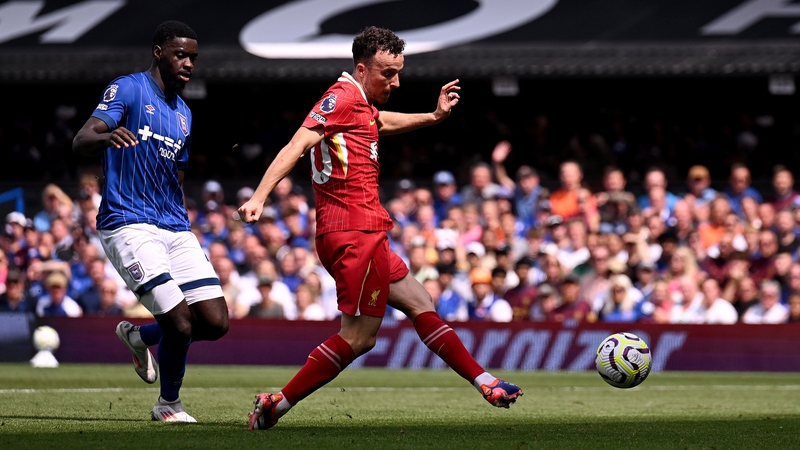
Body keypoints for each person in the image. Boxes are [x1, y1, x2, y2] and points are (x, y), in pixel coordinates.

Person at [238, 26, 521, 431]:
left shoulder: (359, 104)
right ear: (361, 68)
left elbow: (379, 123)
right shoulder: (339, 98)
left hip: (364, 231)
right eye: (388, 72)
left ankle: (485, 381)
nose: (396, 81)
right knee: (359, 338)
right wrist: (260, 196)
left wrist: (434, 116)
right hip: (354, 233)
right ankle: (277, 404)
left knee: (420, 303)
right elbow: (296, 145)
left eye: (398, 71)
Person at [71, 21, 229, 423]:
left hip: (174, 226)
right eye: (181, 55)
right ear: (159, 52)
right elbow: (81, 140)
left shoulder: (184, 115)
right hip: (128, 222)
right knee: (178, 324)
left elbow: (177, 175)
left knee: (214, 322)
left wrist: (185, 221)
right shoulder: (128, 88)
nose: (189, 63)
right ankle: (168, 405)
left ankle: (138, 336)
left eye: (193, 57)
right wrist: (107, 138)